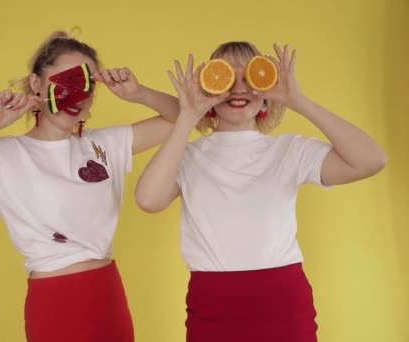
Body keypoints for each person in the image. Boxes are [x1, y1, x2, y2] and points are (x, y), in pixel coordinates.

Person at [0, 30, 178, 342]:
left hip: (107, 294)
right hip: (54, 301)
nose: (78, 95)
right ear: (37, 84)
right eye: (66, 82)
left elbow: (185, 118)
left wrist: (139, 94)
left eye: (86, 86)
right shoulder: (4, 156)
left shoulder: (105, 145)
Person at [135, 42, 387, 342]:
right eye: (225, 77)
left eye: (251, 78)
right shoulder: (186, 155)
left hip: (283, 302)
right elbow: (148, 200)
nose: (238, 89)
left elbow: (372, 160)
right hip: (212, 303)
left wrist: (298, 100)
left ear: (266, 91)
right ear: (208, 87)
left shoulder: (290, 150)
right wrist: (189, 114)